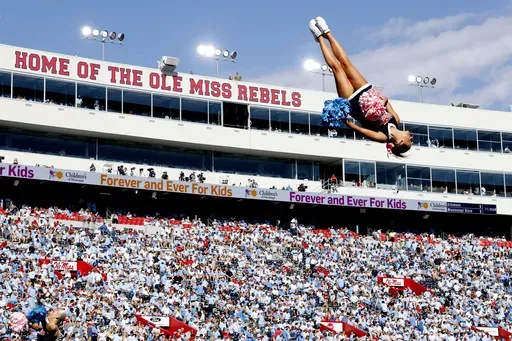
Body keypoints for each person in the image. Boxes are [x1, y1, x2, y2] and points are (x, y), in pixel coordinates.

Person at [309, 17, 413, 157]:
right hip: (366, 92)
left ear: (399, 142)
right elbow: (386, 100)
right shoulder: (397, 119)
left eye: (409, 142)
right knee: (346, 63)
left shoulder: (382, 137)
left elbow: (360, 130)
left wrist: (343, 117)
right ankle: (327, 32)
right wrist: (379, 104)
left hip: (352, 101)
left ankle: (319, 37)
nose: (411, 138)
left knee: (337, 68)